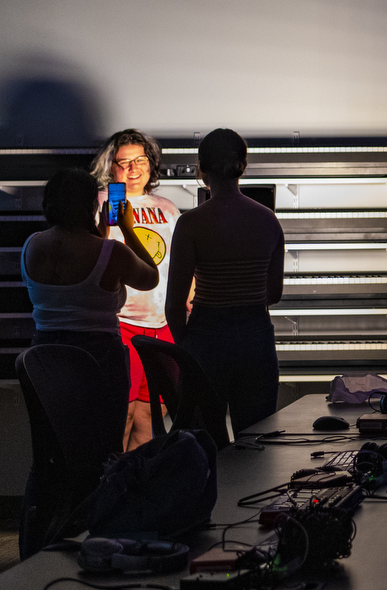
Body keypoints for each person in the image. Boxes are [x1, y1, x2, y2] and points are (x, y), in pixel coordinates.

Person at [22, 168, 160, 449]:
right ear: (92, 206)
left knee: (52, 449)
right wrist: (126, 228)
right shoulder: (112, 252)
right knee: (103, 448)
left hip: (44, 356)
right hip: (98, 356)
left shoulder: (32, 244)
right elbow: (150, 277)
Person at [167, 128, 285, 434]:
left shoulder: (191, 224)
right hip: (255, 334)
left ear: (201, 169)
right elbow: (273, 293)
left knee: (203, 442)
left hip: (207, 336)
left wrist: (187, 347)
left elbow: (174, 304)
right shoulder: (267, 220)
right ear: (242, 166)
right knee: (257, 442)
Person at [91, 129, 183, 450]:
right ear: (111, 167)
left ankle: (136, 488)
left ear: (151, 163)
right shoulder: (102, 201)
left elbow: (183, 263)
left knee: (150, 417)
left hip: (163, 324)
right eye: (124, 162)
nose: (133, 169)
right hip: (121, 323)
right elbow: (94, 255)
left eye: (140, 160)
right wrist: (106, 223)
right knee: (121, 415)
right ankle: (111, 487)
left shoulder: (168, 208)